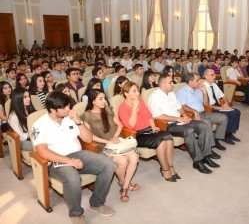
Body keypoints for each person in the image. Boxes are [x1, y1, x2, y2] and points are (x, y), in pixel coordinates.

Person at [31, 91, 115, 224]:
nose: (68, 109)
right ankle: (76, 213)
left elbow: (87, 138)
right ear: (52, 109)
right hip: (56, 161)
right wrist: (68, 161)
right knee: (72, 177)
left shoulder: (70, 118)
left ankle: (97, 202)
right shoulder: (39, 125)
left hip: (77, 154)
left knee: (108, 164)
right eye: (64, 107)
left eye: (68, 105)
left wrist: (78, 121)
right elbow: (42, 152)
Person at [148, 74, 222, 174]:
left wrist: (184, 115)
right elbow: (158, 116)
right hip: (168, 124)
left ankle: (206, 156)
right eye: (170, 82)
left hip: (179, 121)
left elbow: (179, 108)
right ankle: (198, 161)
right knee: (189, 130)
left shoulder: (171, 94)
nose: (173, 84)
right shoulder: (154, 97)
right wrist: (177, 118)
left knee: (203, 125)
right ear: (162, 84)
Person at [82, 89, 139, 202]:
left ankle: (124, 187)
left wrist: (116, 137)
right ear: (93, 101)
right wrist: (108, 142)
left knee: (135, 157)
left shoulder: (107, 109)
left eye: (104, 98)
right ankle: (125, 184)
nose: (104, 101)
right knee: (122, 162)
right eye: (101, 99)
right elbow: (90, 137)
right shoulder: (87, 116)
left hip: (116, 142)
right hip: (103, 146)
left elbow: (119, 125)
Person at [118, 82, 179, 182]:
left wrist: (154, 126)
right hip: (136, 134)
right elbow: (131, 126)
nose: (137, 93)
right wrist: (134, 107)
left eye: (137, 90)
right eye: (134, 91)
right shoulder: (122, 108)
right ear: (126, 93)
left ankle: (171, 167)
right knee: (161, 141)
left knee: (168, 137)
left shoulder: (140, 101)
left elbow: (149, 116)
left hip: (149, 129)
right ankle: (165, 169)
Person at [176, 72, 229, 147]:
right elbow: (182, 106)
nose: (199, 82)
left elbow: (206, 104)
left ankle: (216, 140)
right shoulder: (182, 91)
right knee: (207, 122)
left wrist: (204, 92)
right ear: (190, 81)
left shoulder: (198, 89)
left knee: (223, 118)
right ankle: (209, 146)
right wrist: (195, 112)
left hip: (204, 112)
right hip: (193, 116)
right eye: (197, 80)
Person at [203, 69, 242, 145]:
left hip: (218, 106)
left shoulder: (214, 85)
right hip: (211, 109)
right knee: (232, 114)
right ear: (206, 76)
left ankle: (229, 134)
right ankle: (226, 136)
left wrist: (226, 103)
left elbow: (223, 96)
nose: (214, 77)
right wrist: (221, 108)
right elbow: (207, 105)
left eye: (214, 75)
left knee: (237, 112)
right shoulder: (203, 87)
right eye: (212, 75)